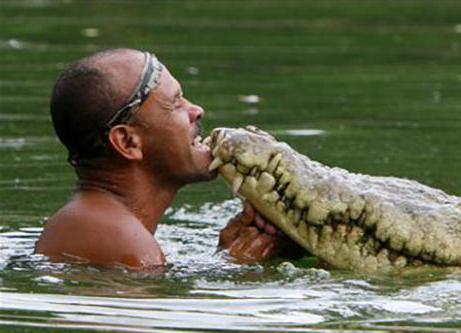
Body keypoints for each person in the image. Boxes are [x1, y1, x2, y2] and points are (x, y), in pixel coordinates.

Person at [35, 48, 295, 268]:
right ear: (127, 142)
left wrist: (226, 257)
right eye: (175, 103)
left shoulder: (101, 225)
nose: (196, 111)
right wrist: (236, 270)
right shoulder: (122, 239)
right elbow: (143, 323)